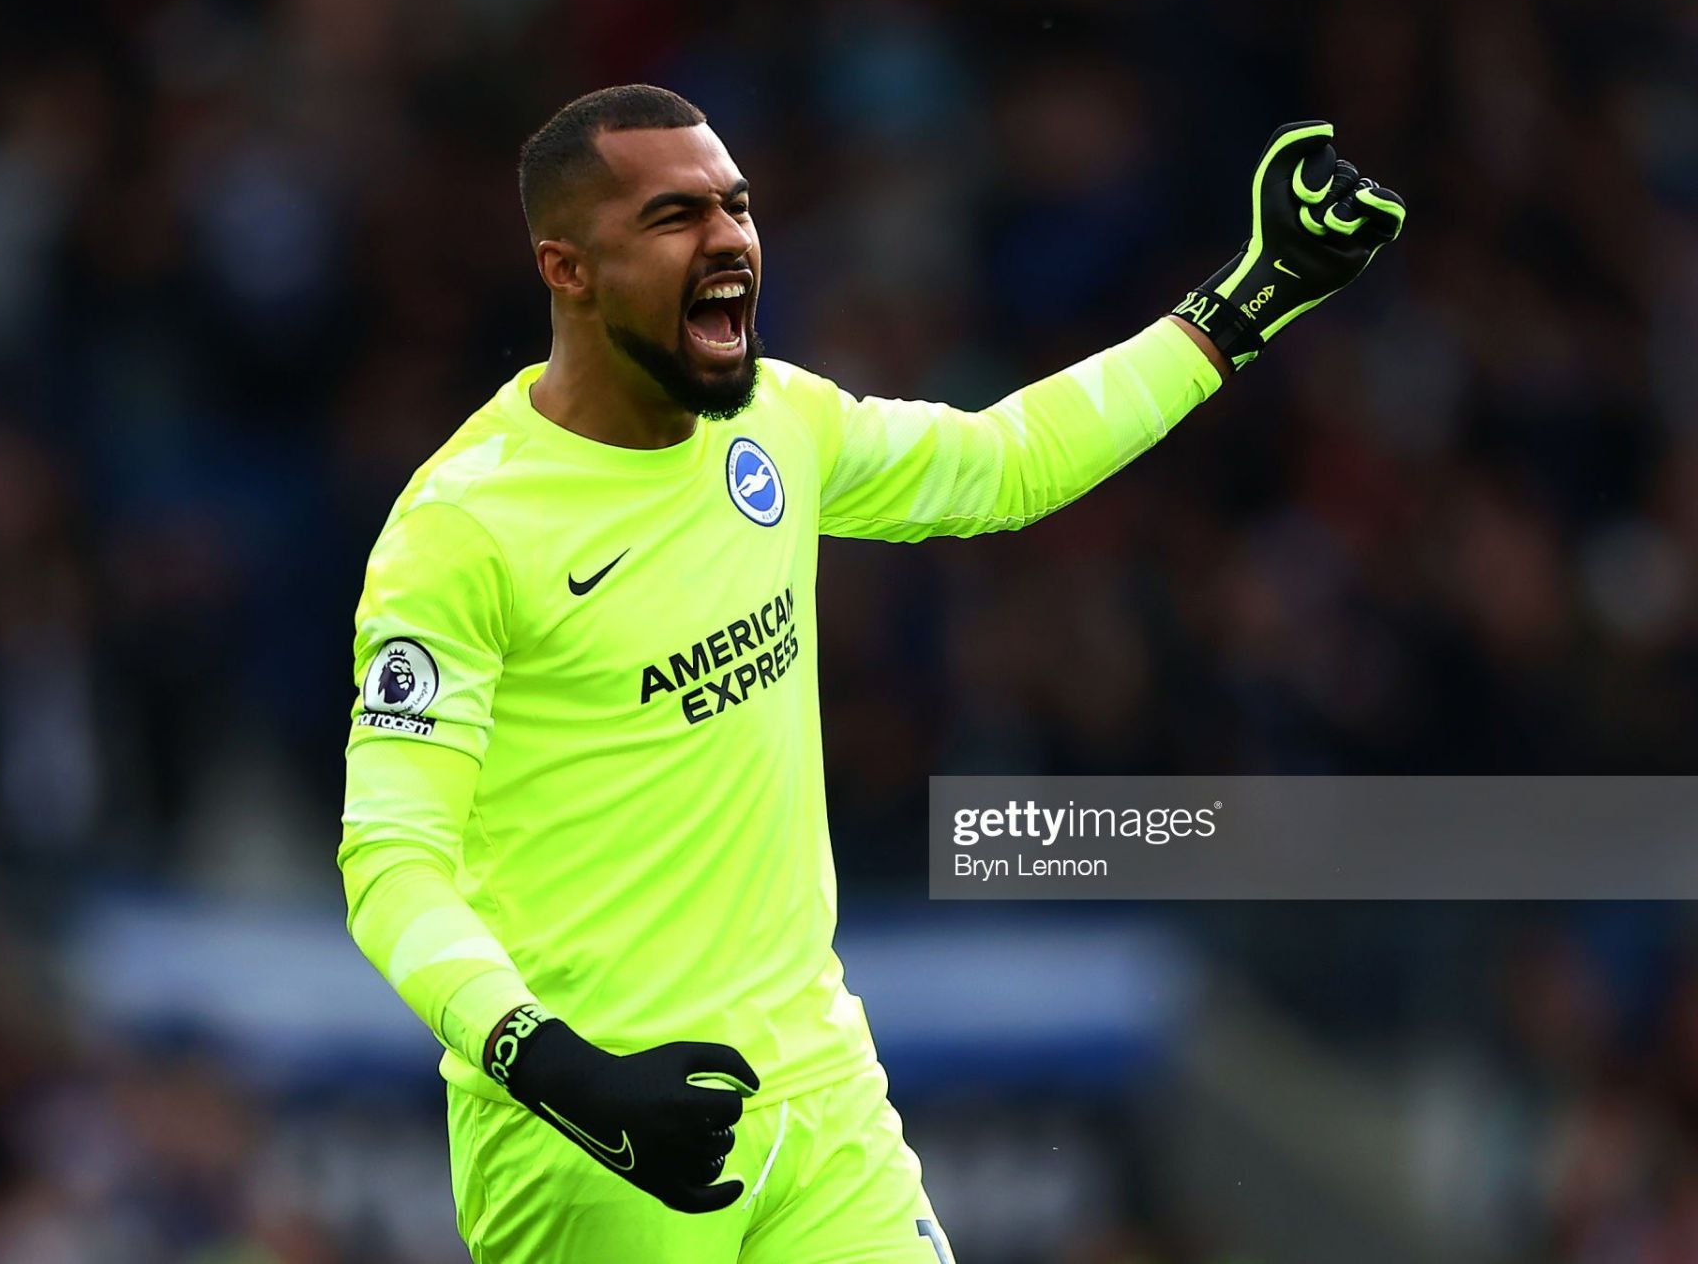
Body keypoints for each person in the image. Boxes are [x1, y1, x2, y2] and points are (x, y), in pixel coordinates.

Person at [337, 83, 1403, 1262]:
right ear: (568, 267)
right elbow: (392, 864)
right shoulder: (463, 528)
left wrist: (1249, 299)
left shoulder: (778, 426)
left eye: (736, 207)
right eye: (675, 216)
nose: (731, 239)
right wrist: (558, 1067)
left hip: (818, 1091)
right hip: (584, 1134)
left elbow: (1008, 464)